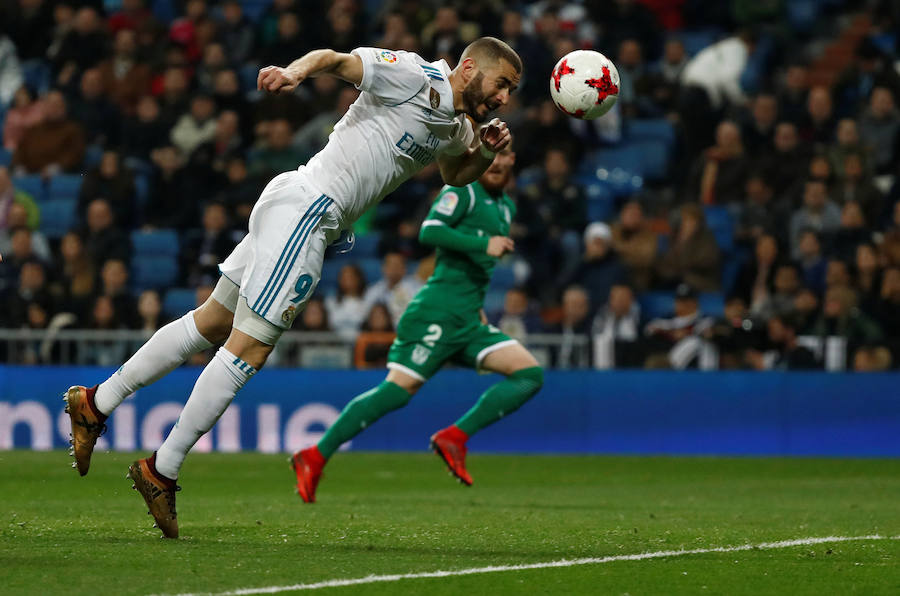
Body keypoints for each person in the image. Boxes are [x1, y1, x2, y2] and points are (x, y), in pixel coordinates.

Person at [63, 38, 522, 537]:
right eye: (502, 84)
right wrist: (294, 71)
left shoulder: (458, 125)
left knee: (213, 322)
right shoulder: (415, 76)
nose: (504, 98)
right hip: (310, 208)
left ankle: (95, 402)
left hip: (301, 208)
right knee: (251, 350)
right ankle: (162, 468)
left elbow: (456, 174)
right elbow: (337, 60)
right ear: (471, 67)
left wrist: (484, 153)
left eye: (511, 91)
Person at [291, 145, 542, 503]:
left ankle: (454, 437)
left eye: (505, 155)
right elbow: (430, 231)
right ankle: (314, 455)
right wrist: (484, 243)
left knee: (530, 375)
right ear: (481, 157)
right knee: (397, 391)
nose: (499, 162)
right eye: (493, 154)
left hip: (469, 318)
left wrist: (478, 306)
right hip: (436, 314)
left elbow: (473, 272)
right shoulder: (463, 190)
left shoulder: (506, 206)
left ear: (513, 159)